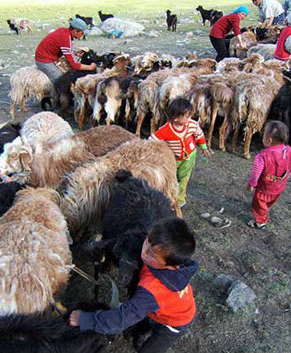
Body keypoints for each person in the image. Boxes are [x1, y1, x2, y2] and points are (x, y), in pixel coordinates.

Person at [69, 217, 198, 353]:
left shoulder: (151, 291)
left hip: (175, 323)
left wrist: (85, 320)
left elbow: (121, 319)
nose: (144, 252)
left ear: (169, 264)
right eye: (146, 242)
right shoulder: (177, 266)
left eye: (152, 255)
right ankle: (137, 330)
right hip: (172, 305)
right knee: (140, 321)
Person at [149, 97, 211, 208]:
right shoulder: (165, 130)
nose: (190, 118)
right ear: (176, 118)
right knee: (171, 178)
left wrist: (204, 148)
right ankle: (168, 197)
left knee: (184, 178)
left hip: (189, 157)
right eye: (187, 117)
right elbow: (152, 140)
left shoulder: (192, 125)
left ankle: (180, 199)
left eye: (190, 115)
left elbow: (199, 135)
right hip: (173, 159)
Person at [247, 121, 291, 229]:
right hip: (279, 186)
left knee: (259, 202)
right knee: (270, 200)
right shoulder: (289, 150)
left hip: (264, 188)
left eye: (263, 134)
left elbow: (256, 173)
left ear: (268, 140)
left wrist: (251, 183)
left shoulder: (262, 156)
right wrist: (287, 175)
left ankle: (261, 221)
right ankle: (264, 208)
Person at [34, 18, 97, 86]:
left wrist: (74, 53)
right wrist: (90, 67)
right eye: (82, 33)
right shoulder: (65, 38)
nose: (82, 35)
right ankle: (55, 96)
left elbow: (63, 47)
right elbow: (74, 65)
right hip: (44, 60)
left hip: (47, 55)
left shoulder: (64, 31)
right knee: (61, 81)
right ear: (75, 31)